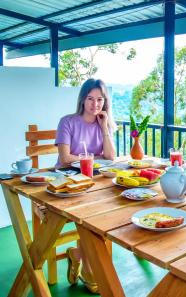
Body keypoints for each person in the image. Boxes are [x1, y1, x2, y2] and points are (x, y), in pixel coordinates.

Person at [55, 78, 117, 294]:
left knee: (109, 207)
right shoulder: (67, 122)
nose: (95, 104)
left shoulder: (103, 124)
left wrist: (104, 127)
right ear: (83, 100)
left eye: (100, 99)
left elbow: (110, 156)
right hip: (67, 180)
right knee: (91, 213)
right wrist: (91, 157)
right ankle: (89, 268)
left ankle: (78, 255)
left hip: (95, 180)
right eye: (90, 99)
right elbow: (64, 159)